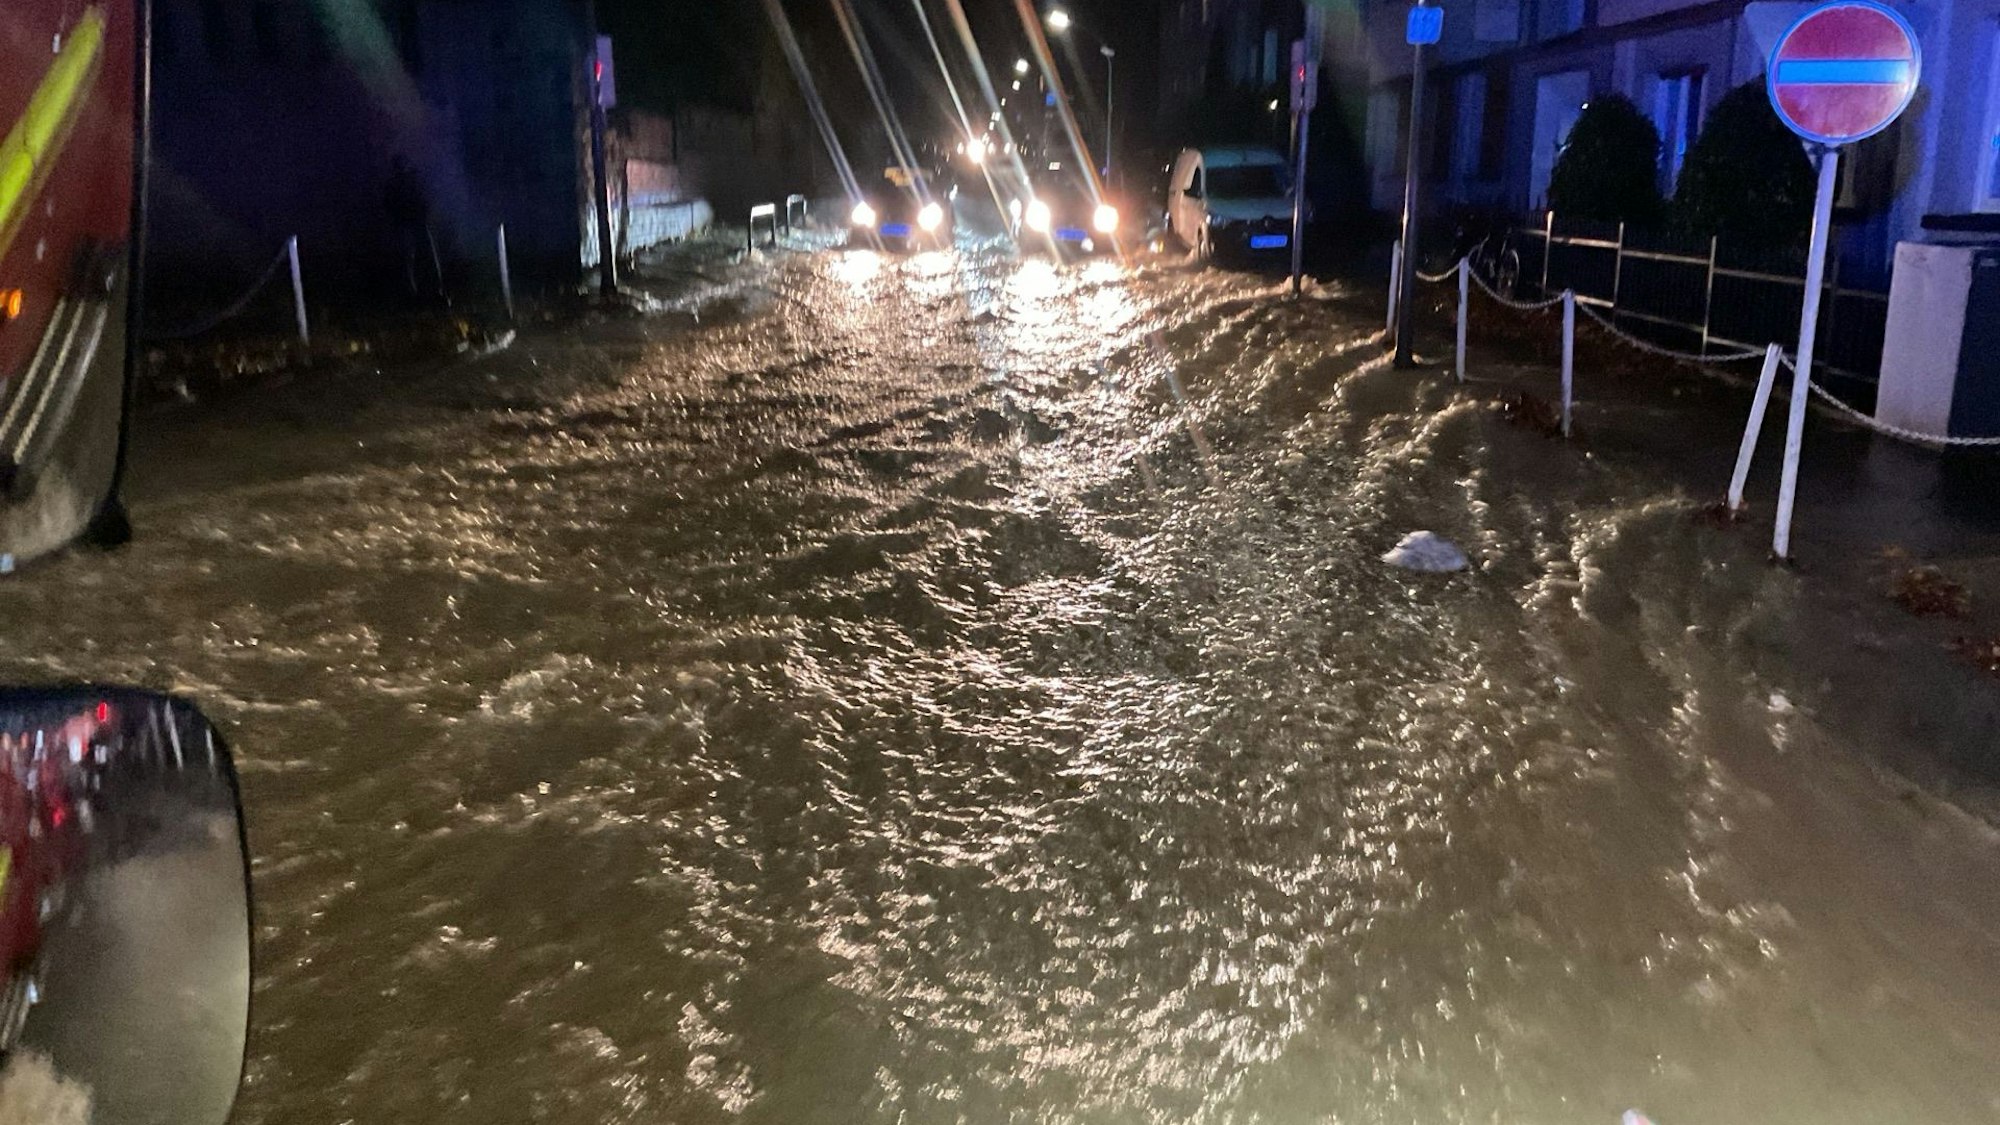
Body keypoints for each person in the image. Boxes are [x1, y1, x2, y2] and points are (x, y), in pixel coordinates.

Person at [384, 156, 446, 302]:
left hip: (416, 224)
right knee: (410, 260)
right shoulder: (398, 184)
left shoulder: (411, 182)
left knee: (424, 258)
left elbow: (424, 199)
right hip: (408, 224)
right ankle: (415, 293)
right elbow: (390, 204)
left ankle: (434, 291)